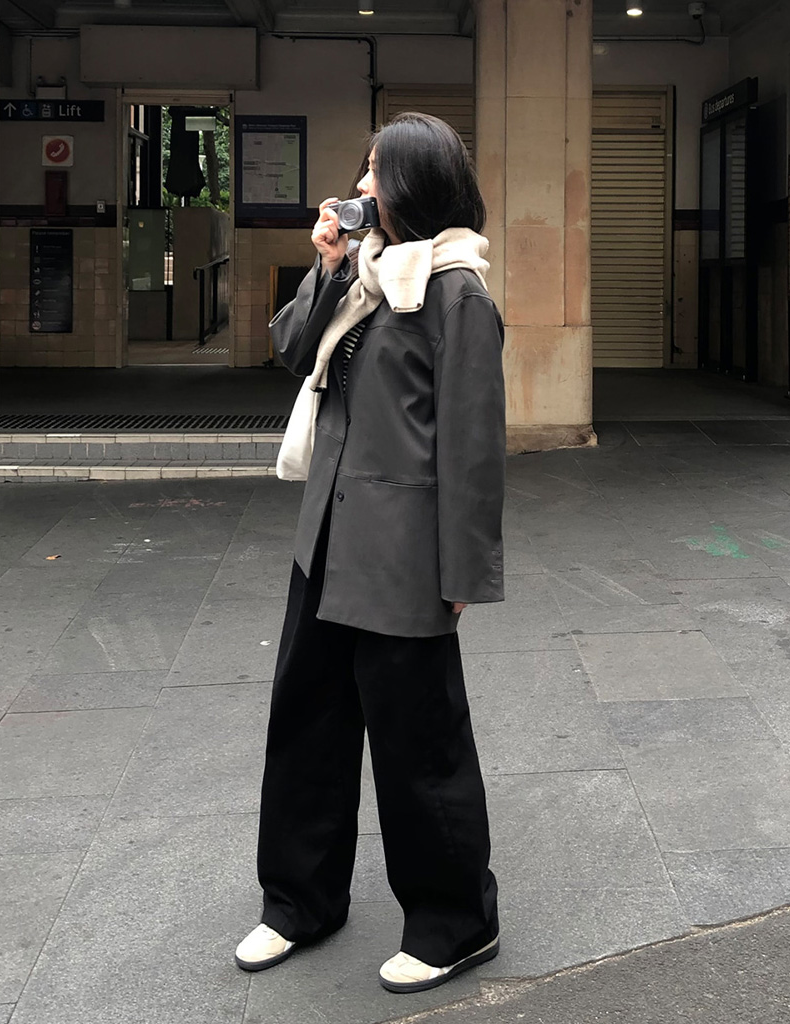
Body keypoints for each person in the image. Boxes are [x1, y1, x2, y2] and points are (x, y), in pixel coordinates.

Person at [235, 112, 506, 994]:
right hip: (325, 537)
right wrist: (325, 266)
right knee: (305, 726)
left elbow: (473, 446)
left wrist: (461, 573)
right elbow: (288, 349)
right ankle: (299, 903)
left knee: (418, 745)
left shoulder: (456, 292)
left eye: (376, 173)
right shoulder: (362, 275)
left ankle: (456, 922)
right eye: (362, 170)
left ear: (415, 185)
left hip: (403, 553)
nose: (360, 187)